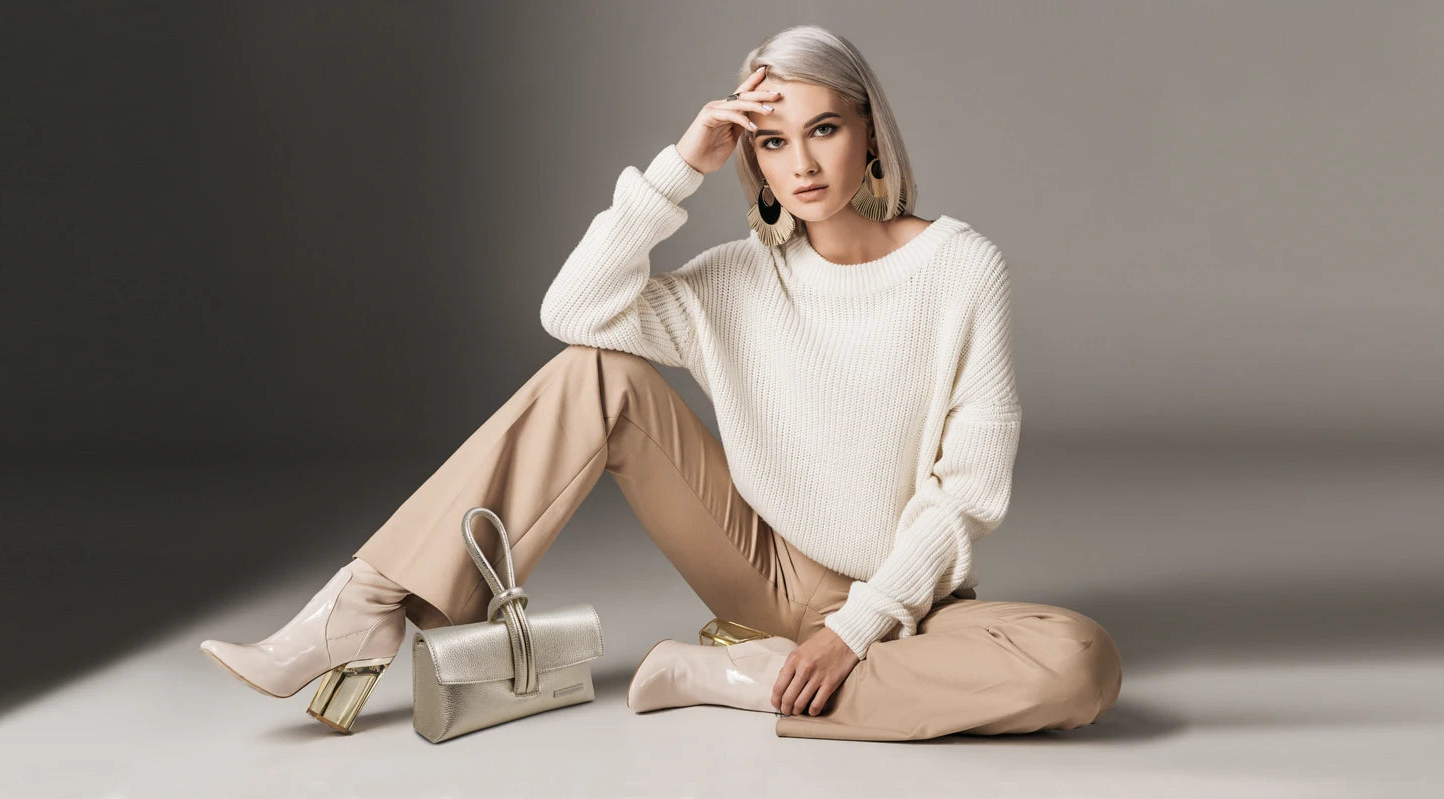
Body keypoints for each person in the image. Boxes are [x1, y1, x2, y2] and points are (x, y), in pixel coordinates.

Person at [198, 24, 1121, 742]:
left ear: (869, 129)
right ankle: (364, 606)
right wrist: (682, 166)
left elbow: (964, 496)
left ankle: (738, 676)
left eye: (825, 129)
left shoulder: (962, 268)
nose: (799, 164)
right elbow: (576, 312)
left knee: (1080, 664)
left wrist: (859, 625)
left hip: (901, 595)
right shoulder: (736, 279)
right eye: (770, 141)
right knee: (595, 375)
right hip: (760, 568)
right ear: (750, 157)